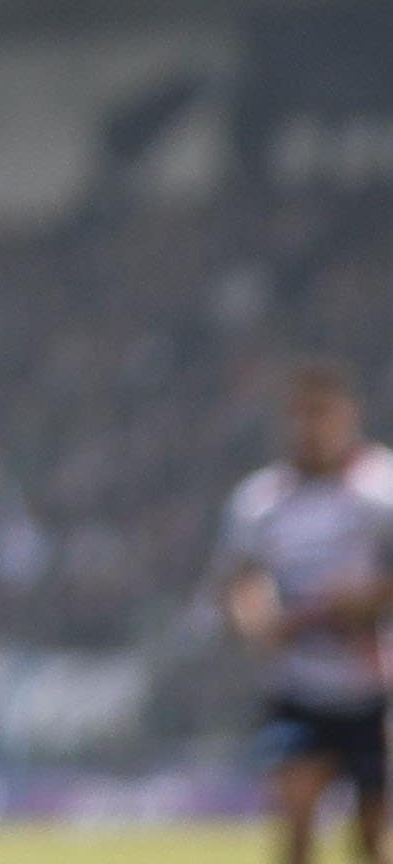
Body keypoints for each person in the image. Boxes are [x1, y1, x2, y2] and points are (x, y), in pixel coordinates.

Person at [218, 362, 393, 864]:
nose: (312, 431)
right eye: (302, 417)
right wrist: (256, 619)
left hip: (371, 689)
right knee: (295, 822)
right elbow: (239, 581)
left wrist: (364, 600)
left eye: (323, 416)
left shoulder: (379, 489)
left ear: (348, 418)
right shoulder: (260, 500)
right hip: (298, 689)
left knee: (371, 838)